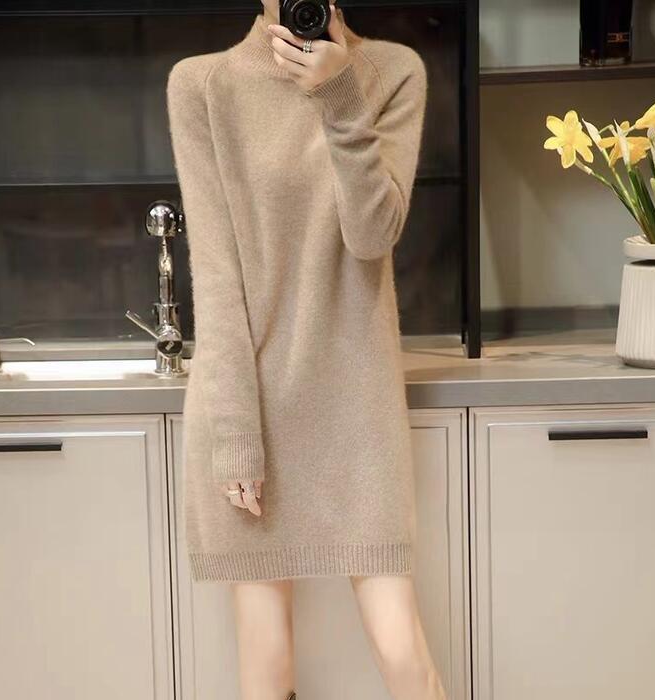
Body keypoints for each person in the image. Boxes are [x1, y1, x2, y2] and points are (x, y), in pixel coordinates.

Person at [166, 1, 446, 698]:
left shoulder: (391, 73)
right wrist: (236, 432)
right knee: (266, 666)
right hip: (251, 406)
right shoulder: (202, 85)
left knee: (402, 651)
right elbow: (217, 275)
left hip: (357, 406)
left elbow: (372, 236)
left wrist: (339, 94)